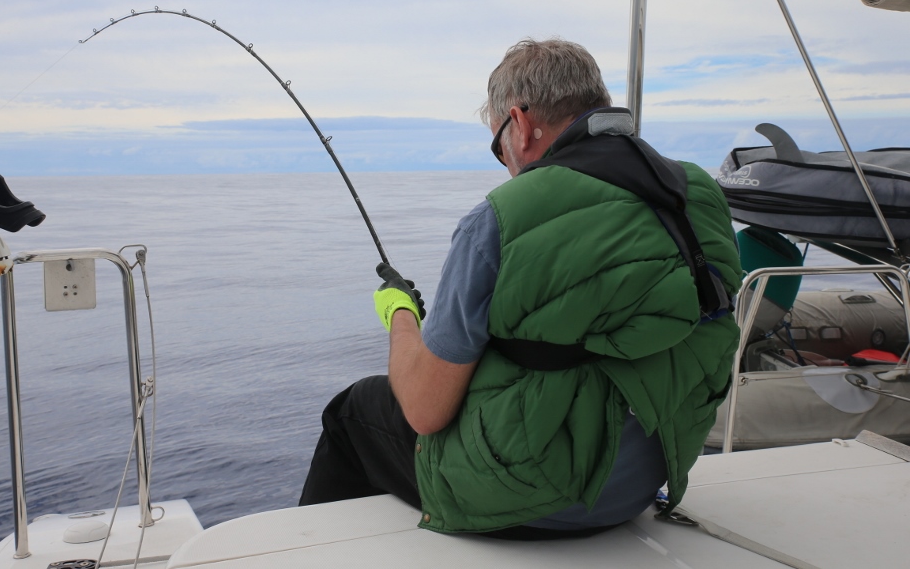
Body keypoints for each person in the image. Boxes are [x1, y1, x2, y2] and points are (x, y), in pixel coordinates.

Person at [299, 38, 742, 538]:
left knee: (353, 411)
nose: (507, 164)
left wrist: (401, 314)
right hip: (641, 482)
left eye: (498, 145)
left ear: (521, 123)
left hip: (531, 504)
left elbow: (424, 410)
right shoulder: (696, 192)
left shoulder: (496, 221)